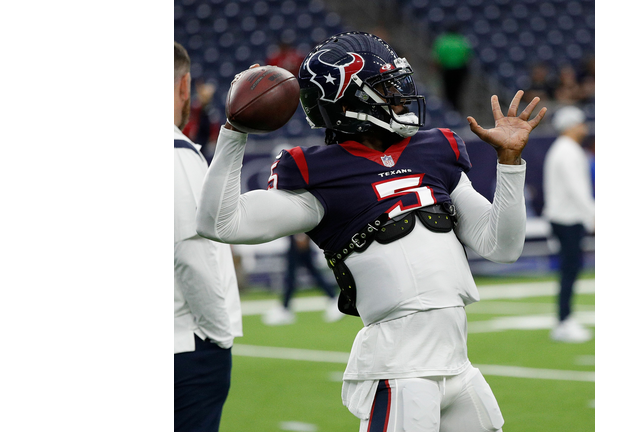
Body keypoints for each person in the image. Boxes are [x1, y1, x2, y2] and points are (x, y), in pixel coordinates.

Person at [196, 32, 546, 432]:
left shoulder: (435, 150)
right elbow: (218, 222)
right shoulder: (319, 173)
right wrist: (233, 132)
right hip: (399, 368)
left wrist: (509, 164)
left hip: (459, 364)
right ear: (349, 101)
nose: (401, 96)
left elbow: (502, 246)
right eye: (387, 88)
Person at [174, 41, 242, 432]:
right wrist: (219, 337)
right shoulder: (176, 153)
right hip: (187, 345)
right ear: (184, 86)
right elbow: (189, 253)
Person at [542, 106, 595, 343]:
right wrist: (593, 217)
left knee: (570, 270)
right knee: (570, 270)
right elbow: (578, 189)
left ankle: (565, 319)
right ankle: (564, 321)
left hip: (562, 218)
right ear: (572, 125)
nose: (584, 128)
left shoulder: (563, 150)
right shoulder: (568, 151)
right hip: (567, 219)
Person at [262, 233, 345, 325]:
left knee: (294, 275)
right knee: (306, 273)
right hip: (297, 237)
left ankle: (285, 308)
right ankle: (333, 298)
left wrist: (301, 237)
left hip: (298, 237)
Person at [431, 22, 473, 111]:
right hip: (460, 70)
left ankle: (448, 110)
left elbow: (437, 57)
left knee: (447, 91)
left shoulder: (443, 41)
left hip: (447, 70)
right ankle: (456, 109)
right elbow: (468, 56)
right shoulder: (462, 41)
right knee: (458, 91)